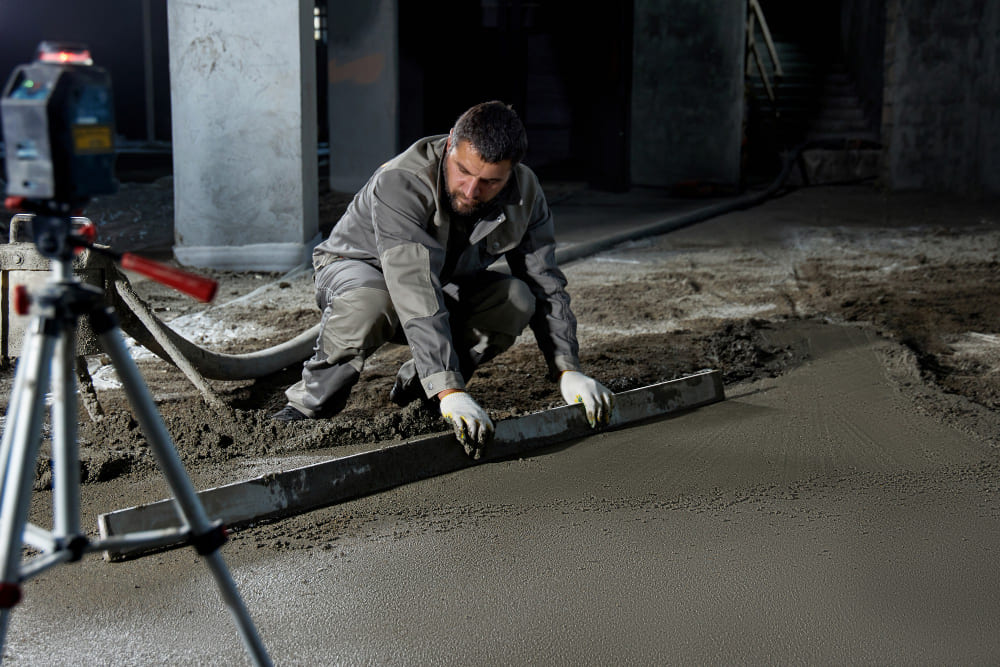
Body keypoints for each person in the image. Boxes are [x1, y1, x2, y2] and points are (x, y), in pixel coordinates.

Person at [273, 101, 613, 459]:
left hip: (437, 282)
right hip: (358, 270)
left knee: (516, 298)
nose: (471, 190)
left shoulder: (525, 193)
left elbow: (545, 282)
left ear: (512, 172)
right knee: (371, 304)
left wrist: (566, 369)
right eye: (463, 171)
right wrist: (450, 390)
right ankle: (305, 407)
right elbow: (413, 285)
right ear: (451, 142)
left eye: (490, 182)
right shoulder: (403, 180)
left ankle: (421, 390)